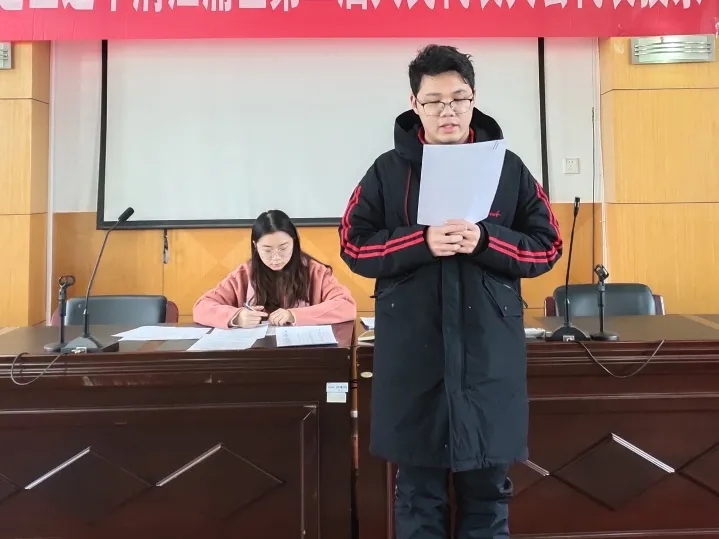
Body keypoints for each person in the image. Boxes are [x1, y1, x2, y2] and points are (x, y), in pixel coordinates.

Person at [338, 45, 562, 539]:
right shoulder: (387, 171)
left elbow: (548, 246)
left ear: (473, 98)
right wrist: (420, 242)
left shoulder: (508, 168)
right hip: (415, 361)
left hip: (488, 360)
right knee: (419, 498)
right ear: (414, 104)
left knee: (488, 496)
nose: (449, 111)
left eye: (459, 99)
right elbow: (353, 244)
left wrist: (486, 241)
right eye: (434, 101)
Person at [194, 209, 357, 328]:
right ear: (255, 246)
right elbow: (202, 307)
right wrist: (236, 317)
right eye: (267, 250)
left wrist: (294, 315)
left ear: (294, 242)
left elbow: (346, 306)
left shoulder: (315, 271)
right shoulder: (244, 274)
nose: (276, 257)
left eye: (283, 248)